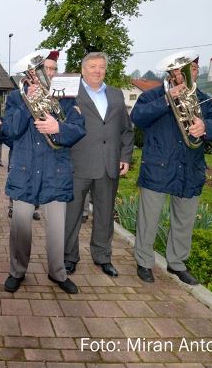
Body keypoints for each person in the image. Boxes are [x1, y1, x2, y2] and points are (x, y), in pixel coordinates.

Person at [131, 52, 212, 285]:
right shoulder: (152, 95)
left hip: (189, 168)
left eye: (192, 69)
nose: (186, 74)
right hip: (158, 167)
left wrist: (205, 126)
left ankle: (177, 263)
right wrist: (167, 100)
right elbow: (138, 117)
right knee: (148, 219)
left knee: (184, 221)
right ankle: (144, 262)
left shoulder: (202, 98)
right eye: (181, 70)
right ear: (171, 73)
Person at [3, 49, 85, 295]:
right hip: (25, 170)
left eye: (51, 69)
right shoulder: (16, 98)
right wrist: (27, 102)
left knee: (57, 229)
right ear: (30, 74)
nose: (47, 73)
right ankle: (17, 271)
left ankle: (57, 272)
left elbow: (79, 130)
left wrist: (58, 127)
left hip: (55, 171)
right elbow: (10, 131)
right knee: (20, 227)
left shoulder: (67, 98)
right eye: (43, 69)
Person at [64, 52, 134, 277]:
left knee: (105, 215)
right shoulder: (70, 93)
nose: (97, 70)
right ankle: (68, 257)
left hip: (108, 164)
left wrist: (125, 157)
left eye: (101, 67)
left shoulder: (115, 94)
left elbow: (126, 130)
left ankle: (103, 256)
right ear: (83, 70)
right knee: (71, 215)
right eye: (92, 66)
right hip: (78, 163)